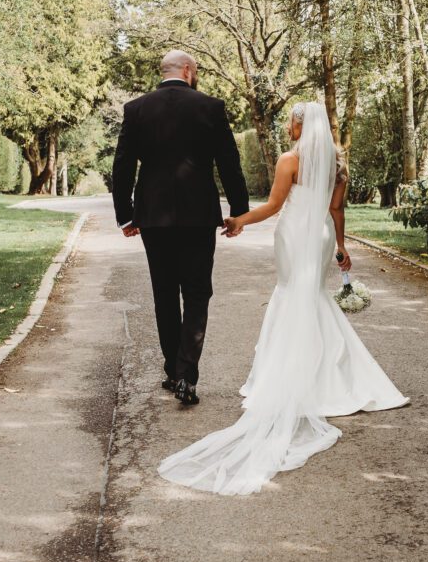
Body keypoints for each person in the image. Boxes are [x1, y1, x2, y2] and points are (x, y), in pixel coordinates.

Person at [158, 101, 410, 495]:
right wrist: (341, 246)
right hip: (322, 235)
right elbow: (336, 209)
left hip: (294, 234)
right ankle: (334, 377)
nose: (288, 130)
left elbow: (275, 206)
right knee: (313, 298)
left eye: (290, 124)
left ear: (299, 126)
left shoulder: (289, 161)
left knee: (293, 295)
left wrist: (240, 220)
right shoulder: (336, 164)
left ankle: (291, 378)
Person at [112, 49, 249, 405]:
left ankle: (174, 372)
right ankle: (187, 373)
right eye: (197, 71)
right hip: (198, 215)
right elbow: (229, 163)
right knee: (198, 291)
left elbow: (123, 166)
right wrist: (239, 211)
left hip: (153, 217)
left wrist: (125, 215)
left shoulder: (136, 109)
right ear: (188, 71)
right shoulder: (210, 107)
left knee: (164, 292)